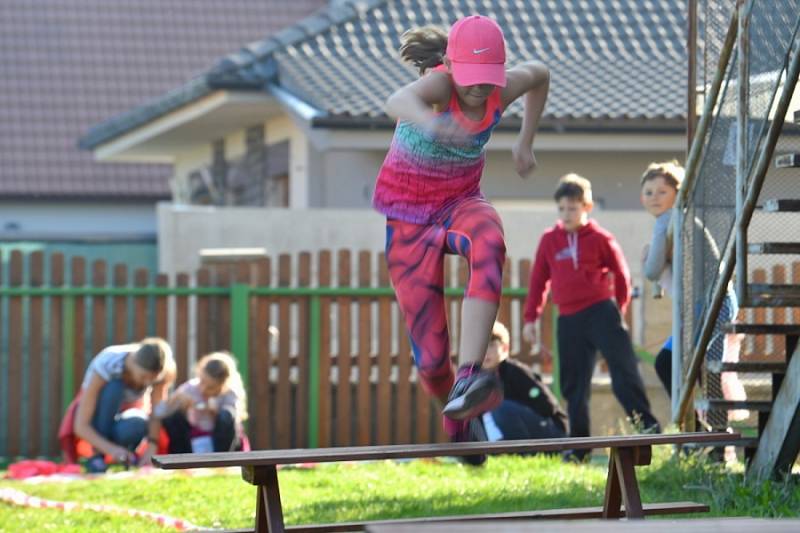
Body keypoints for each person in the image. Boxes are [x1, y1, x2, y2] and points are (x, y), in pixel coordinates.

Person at [373, 14, 550, 456]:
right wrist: (429, 122)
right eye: (469, 80)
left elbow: (540, 75)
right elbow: (397, 99)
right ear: (451, 68)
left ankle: (470, 372)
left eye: (487, 81)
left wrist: (525, 141)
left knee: (490, 239)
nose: (478, 91)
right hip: (408, 216)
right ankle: (455, 410)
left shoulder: (502, 88)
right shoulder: (439, 87)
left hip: (460, 202)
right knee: (432, 362)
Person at [522, 174, 660, 462]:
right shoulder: (550, 240)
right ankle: (580, 447)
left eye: (573, 208)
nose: (566, 214)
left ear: (587, 207)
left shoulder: (600, 239)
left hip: (601, 312)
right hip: (569, 318)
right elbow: (538, 281)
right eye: (562, 209)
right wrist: (530, 318)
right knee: (574, 384)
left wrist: (617, 310)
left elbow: (621, 275)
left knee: (624, 372)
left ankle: (648, 430)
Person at [639, 160, 747, 428]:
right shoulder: (675, 221)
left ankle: (717, 436)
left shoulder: (672, 219)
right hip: (700, 306)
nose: (654, 197)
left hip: (713, 304)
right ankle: (699, 429)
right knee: (669, 363)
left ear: (678, 192)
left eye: (662, 191)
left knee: (707, 371)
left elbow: (652, 269)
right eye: (649, 192)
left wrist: (653, 255)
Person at [59, 338, 176, 473]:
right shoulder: (108, 363)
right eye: (143, 376)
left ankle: (127, 456)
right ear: (132, 363)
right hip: (97, 421)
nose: (147, 382)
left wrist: (152, 446)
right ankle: (97, 456)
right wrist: (111, 449)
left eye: (152, 379)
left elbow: (157, 412)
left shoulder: (162, 372)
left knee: (139, 423)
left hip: (121, 422)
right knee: (114, 388)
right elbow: (80, 426)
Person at [481, 321, 568, 443]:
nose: (485, 352)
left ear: (504, 348)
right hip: (516, 430)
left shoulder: (515, 372)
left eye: (491, 345)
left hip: (551, 430)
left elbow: (548, 406)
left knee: (500, 407)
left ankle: (520, 451)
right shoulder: (479, 379)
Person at [155, 351, 249, 453]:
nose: (203, 389)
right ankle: (182, 460)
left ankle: (222, 460)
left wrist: (216, 411)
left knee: (227, 414)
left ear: (224, 385)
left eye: (211, 387)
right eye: (202, 382)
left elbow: (235, 420)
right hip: (191, 441)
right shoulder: (190, 389)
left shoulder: (229, 393)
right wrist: (175, 400)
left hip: (219, 443)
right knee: (174, 418)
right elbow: (159, 412)